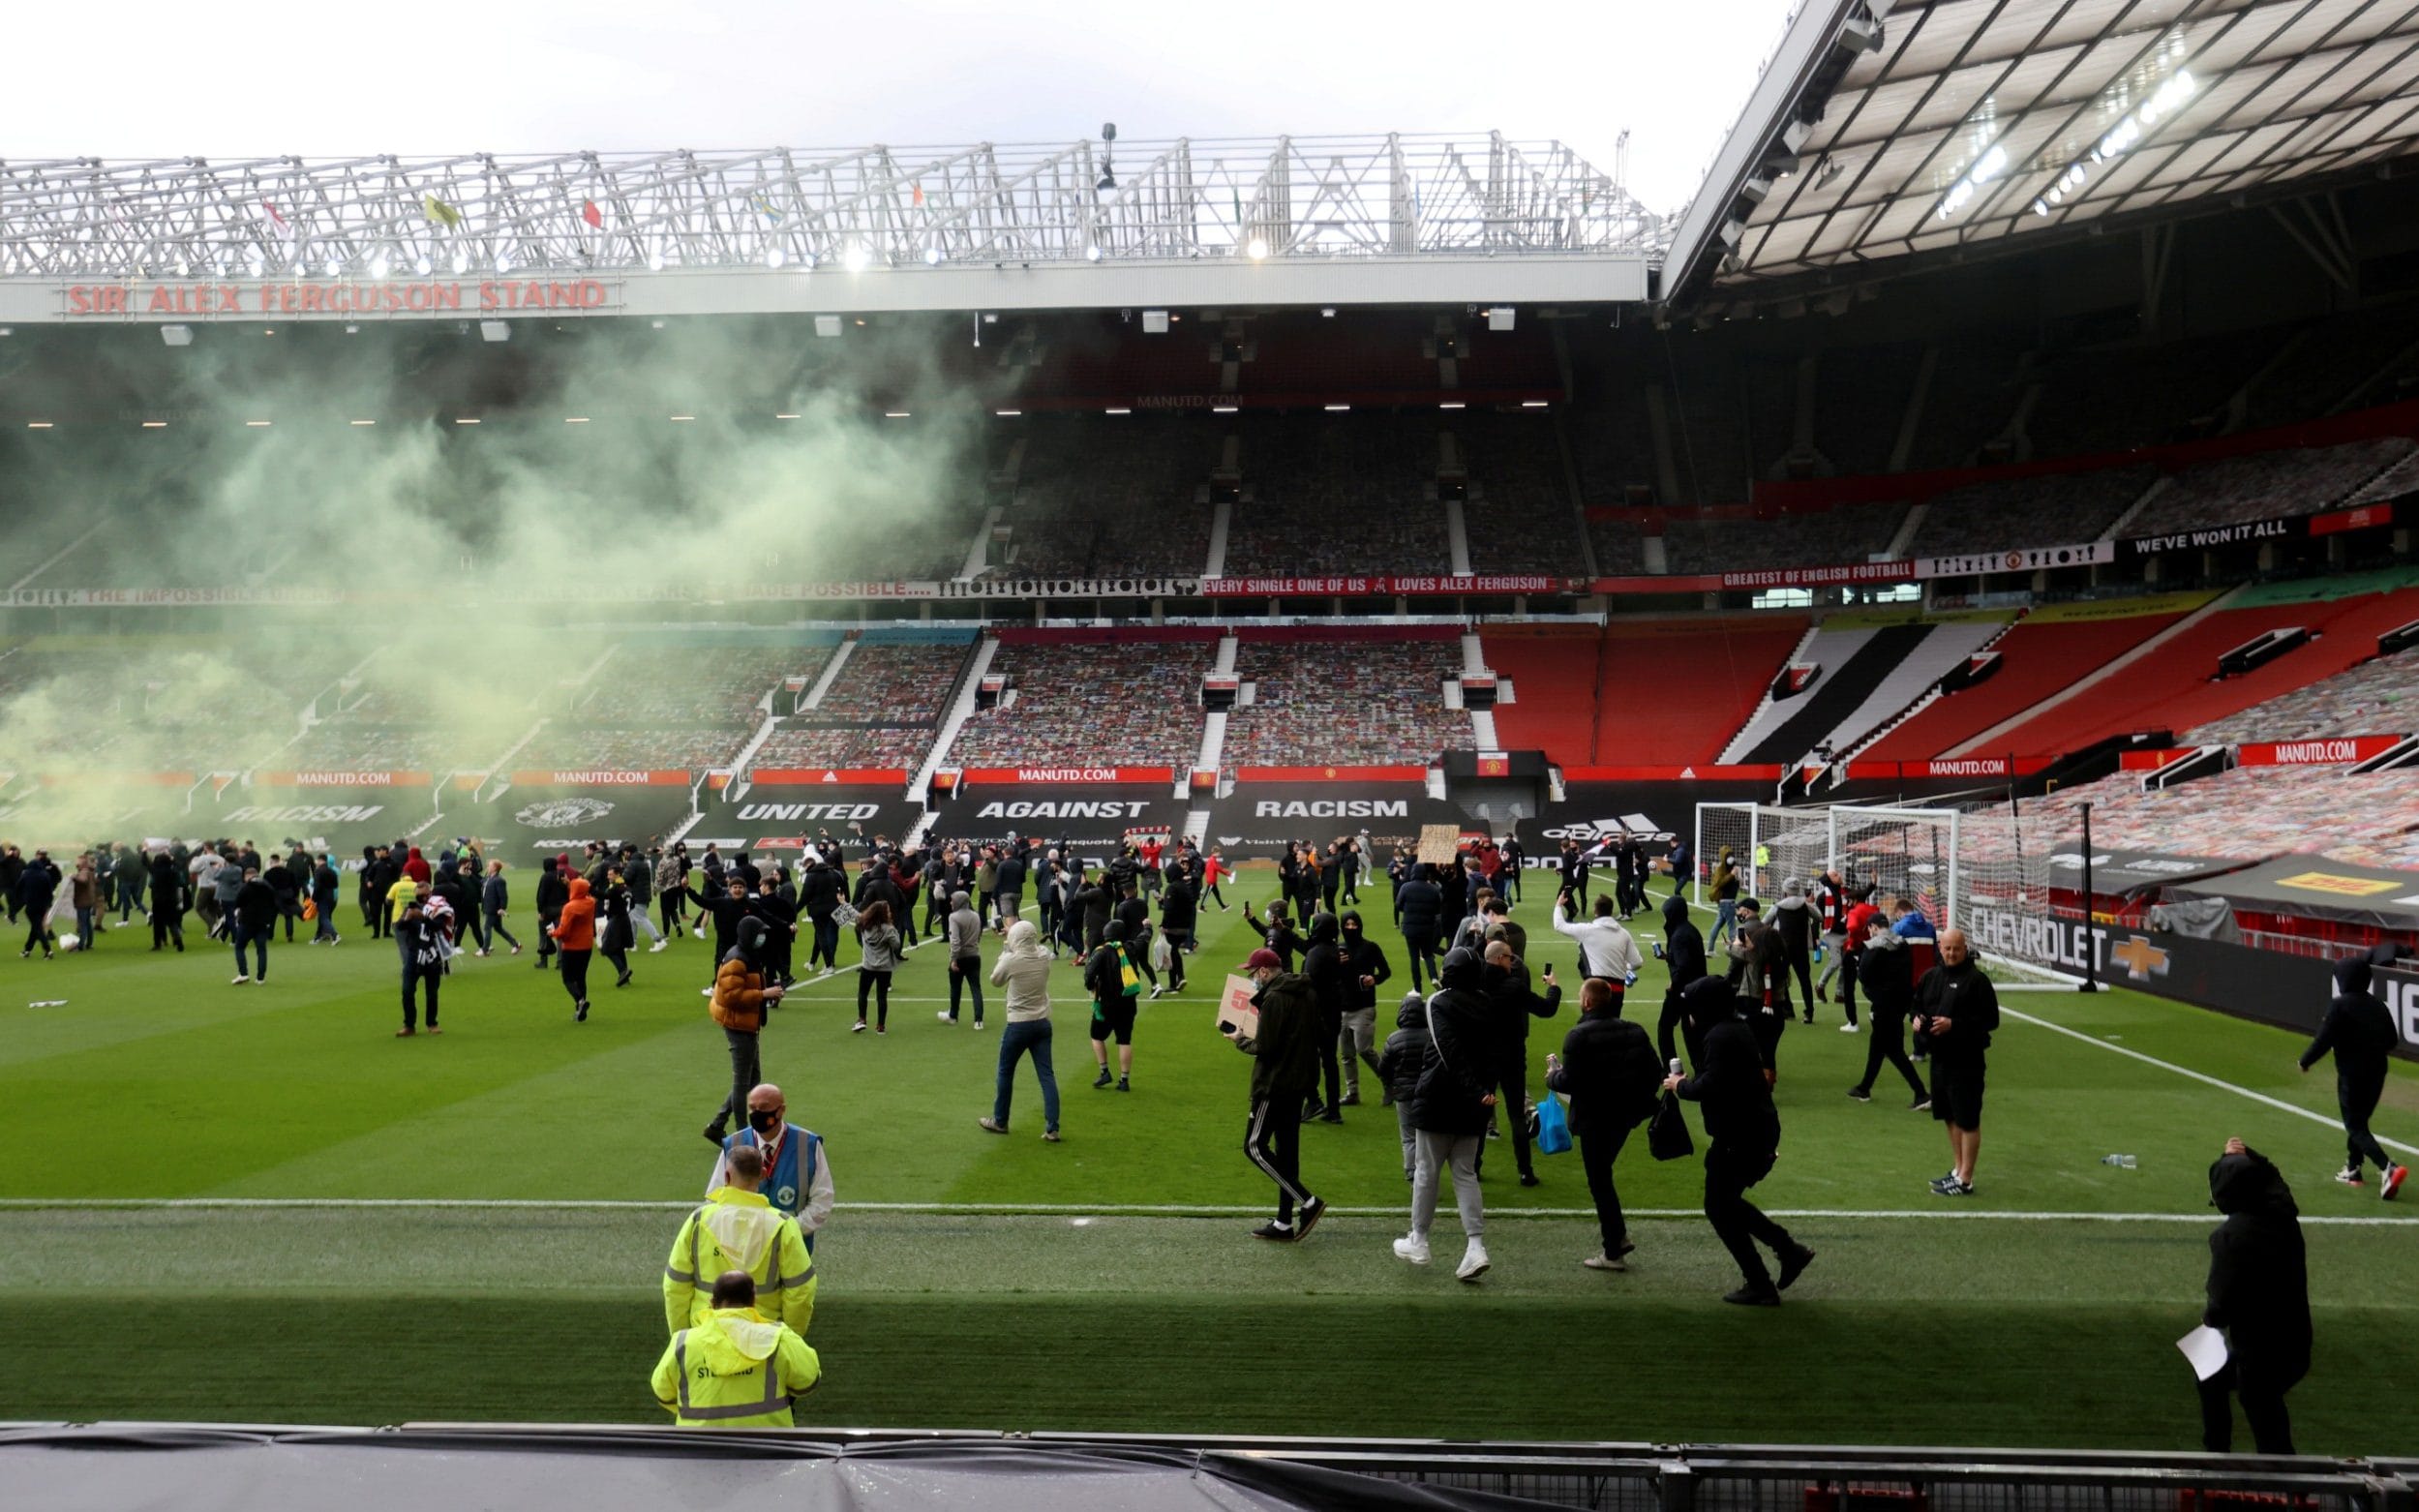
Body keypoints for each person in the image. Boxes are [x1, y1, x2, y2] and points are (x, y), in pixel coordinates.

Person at [1664, 987, 1814, 1305]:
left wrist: (1681, 1086)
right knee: (1725, 1203)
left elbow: (1712, 1085)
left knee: (1719, 1206)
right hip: (1753, 1130)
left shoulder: (1719, 1037)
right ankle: (1785, 1253)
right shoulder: (1734, 1029)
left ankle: (1765, 1276)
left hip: (1741, 1135)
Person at [2197, 1137, 2311, 1455]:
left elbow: (2220, 1307)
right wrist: (2248, 1155)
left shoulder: (2229, 1238)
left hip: (2260, 1353)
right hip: (2296, 1343)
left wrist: (2207, 1322)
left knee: (2256, 1401)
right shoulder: (2283, 1214)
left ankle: (2217, 1456)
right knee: (2236, 1387)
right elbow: (2272, 1177)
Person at [1395, 947, 1498, 1280]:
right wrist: (1483, 1090)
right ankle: (1475, 1246)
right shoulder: (1487, 1002)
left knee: (1426, 1171)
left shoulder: (1437, 1002)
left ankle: (1420, 1240)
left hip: (1441, 1096)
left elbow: (1448, 1048)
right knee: (1465, 1173)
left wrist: (1475, 1087)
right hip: (1474, 1102)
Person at [1547, 977, 1662, 1271]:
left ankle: (1614, 1248)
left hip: (1595, 1119)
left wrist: (1552, 1076)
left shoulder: (1578, 1036)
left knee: (1599, 1180)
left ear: (1586, 1002)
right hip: (1625, 1117)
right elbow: (1655, 1073)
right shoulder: (1634, 1031)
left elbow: (1570, 1081)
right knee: (1602, 1175)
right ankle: (1617, 1239)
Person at [662, 1142, 817, 1339]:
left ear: (726, 1176)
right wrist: (790, 1339)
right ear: (762, 1174)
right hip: (763, 1340)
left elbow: (674, 1287)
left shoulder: (698, 1221)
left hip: (705, 1337)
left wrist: (682, 1340)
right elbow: (801, 1291)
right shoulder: (783, 1225)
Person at [1226, 946, 1327, 1243]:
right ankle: (1284, 1222)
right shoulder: (1305, 992)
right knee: (1287, 1152)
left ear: (1265, 972)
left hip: (1274, 1084)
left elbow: (1266, 1046)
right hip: (1298, 1082)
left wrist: (1239, 1039)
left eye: (1254, 972)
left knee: (1254, 1146)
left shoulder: (1274, 998)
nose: (1253, 978)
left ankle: (1307, 1202)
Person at [650, 1269, 823, 1429]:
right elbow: (808, 1381)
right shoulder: (778, 1337)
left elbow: (663, 1393)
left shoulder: (682, 1342)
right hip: (768, 1448)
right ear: (753, 1301)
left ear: (712, 1303)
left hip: (698, 1449)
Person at [2300, 949, 2407, 1196]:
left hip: (2351, 1074)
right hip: (2377, 1073)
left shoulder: (2340, 1005)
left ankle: (2387, 1167)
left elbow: (2323, 1039)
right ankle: (2353, 1169)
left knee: (2355, 1125)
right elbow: (2392, 1040)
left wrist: (2306, 1061)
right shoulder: (2379, 1005)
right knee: (2360, 1122)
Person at [1916, 926, 1998, 1196]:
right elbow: (1916, 1007)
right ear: (1940, 948)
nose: (1951, 953)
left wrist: (1954, 1025)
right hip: (1939, 1058)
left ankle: (1966, 1179)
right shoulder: (1931, 977)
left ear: (1965, 949)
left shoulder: (1977, 981)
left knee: (1967, 1119)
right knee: (1949, 1116)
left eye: (1956, 948)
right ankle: (1958, 1168)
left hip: (1967, 1060)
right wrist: (1916, 1020)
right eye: (1947, 948)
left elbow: (1991, 1021)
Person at [709, 1082, 834, 1252]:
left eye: (764, 1107)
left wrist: (786, 1231)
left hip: (792, 1250)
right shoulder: (734, 1144)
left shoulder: (808, 1144)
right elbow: (714, 1197)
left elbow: (822, 1199)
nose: (757, 1113)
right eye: (752, 1108)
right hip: (742, 1250)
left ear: (781, 1110)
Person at [1482, 939, 1560, 1186]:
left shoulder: (1476, 985)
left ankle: (1472, 1167)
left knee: (1481, 1113)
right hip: (1513, 1057)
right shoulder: (1513, 987)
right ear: (1498, 959)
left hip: (1485, 1057)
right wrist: (1553, 987)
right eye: (1508, 957)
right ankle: (1525, 1171)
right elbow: (1547, 1009)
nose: (1511, 961)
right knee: (1516, 1114)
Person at [980, 920, 1062, 1141]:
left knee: (1005, 1071)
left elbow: (995, 980)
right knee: (1046, 1075)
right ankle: (1053, 1126)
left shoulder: (1012, 960)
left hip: (1018, 1023)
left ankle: (1000, 1120)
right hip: (1042, 1021)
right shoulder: (1044, 955)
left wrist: (1006, 948)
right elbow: (1035, 946)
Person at [706, 917, 785, 1143]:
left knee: (753, 1078)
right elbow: (729, 997)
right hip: (738, 1024)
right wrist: (763, 994)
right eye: (760, 933)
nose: (763, 938)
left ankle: (718, 1124)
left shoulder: (747, 955)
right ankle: (742, 1133)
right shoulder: (737, 960)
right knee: (742, 1082)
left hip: (745, 1023)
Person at [1847, 914, 1930, 1109]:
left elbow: (1864, 975)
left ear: (1874, 927)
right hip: (1901, 1002)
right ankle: (1864, 1087)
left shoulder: (1873, 946)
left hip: (1883, 1004)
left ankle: (1921, 1093)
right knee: (1877, 1045)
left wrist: (1873, 993)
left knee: (1893, 1050)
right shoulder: (1903, 945)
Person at [1336, 910, 1393, 1104]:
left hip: (1364, 1007)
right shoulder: (1337, 949)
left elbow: (1386, 972)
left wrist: (1373, 979)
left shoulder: (1370, 948)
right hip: (1342, 1007)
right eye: (1347, 925)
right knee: (1346, 1054)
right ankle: (1352, 1093)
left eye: (1354, 924)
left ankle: (1388, 1082)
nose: (1351, 928)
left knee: (1364, 1050)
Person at [1299, 912, 1347, 1122]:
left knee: (1307, 1060)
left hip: (1315, 1013)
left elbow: (1307, 983)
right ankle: (1334, 1109)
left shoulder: (1315, 953)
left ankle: (1314, 1100)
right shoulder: (1337, 951)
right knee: (1330, 1062)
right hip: (1334, 1012)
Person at [1084, 920, 1143, 1090]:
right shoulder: (1130, 949)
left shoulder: (1101, 952)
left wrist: (1090, 987)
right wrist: (1147, 927)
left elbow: (1089, 974)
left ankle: (1105, 1072)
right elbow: (1143, 939)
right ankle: (1124, 1080)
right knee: (1124, 1040)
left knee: (1096, 1036)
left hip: (1106, 1003)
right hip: (1128, 1002)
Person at [1378, 990, 1432, 1181]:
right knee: (1427, 1138)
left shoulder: (1394, 1039)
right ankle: (1428, 1176)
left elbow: (1383, 1068)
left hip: (1404, 1094)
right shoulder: (1431, 1037)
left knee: (1408, 1138)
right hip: (1427, 1093)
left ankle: (1412, 1175)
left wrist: (1392, 1086)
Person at [1654, 892, 1708, 1067]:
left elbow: (1684, 966)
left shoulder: (1679, 936)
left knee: (1667, 1028)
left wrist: (1674, 985)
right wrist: (1668, 957)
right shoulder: (1689, 930)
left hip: (1683, 991)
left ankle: (1672, 1066)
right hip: (1694, 988)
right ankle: (1699, 1066)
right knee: (1691, 1030)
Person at [1553, 891, 1644, 989]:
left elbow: (1559, 925)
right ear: (1611, 911)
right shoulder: (1624, 933)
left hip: (1595, 988)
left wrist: (1558, 904)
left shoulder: (1586, 930)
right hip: (1618, 989)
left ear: (1595, 912)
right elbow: (1637, 963)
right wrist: (1626, 967)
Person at [396, 889, 445, 1036]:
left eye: (424, 895)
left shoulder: (439, 910)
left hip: (431, 955)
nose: (421, 899)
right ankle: (409, 1025)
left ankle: (432, 1023)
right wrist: (407, 918)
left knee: (432, 992)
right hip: (414, 955)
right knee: (407, 990)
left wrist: (423, 917)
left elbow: (438, 927)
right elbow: (399, 927)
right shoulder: (410, 910)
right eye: (419, 896)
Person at [548, 876, 597, 1022]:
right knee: (581, 976)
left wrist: (552, 933)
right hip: (586, 945)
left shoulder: (569, 907)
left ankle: (580, 1001)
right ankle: (580, 1010)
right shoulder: (590, 903)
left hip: (571, 946)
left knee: (568, 978)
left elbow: (563, 931)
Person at [1772, 880, 1820, 1024]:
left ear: (1785, 891)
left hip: (1783, 949)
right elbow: (1819, 917)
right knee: (1805, 981)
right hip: (1801, 949)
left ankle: (1788, 1009)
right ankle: (1809, 1013)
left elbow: (1764, 921)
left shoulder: (1778, 907)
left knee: (1781, 979)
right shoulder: (1805, 905)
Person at [852, 899, 901, 1034]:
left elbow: (854, 913)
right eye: (888, 911)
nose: (890, 913)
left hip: (868, 966)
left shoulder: (864, 924)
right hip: (884, 967)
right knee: (881, 996)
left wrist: (843, 902)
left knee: (863, 993)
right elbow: (897, 945)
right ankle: (880, 1026)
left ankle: (862, 1019)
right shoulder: (889, 929)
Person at [1395, 864, 1445, 991]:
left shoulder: (1406, 887)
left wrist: (1408, 910)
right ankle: (1434, 977)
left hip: (1410, 926)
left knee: (1414, 957)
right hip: (1427, 927)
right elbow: (1438, 908)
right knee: (1428, 954)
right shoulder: (1433, 889)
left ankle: (1417, 987)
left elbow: (1398, 904)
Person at [940, 890, 986, 1028]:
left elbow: (955, 940)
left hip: (960, 957)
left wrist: (953, 959)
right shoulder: (976, 915)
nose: (951, 902)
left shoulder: (954, 917)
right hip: (974, 955)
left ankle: (953, 1015)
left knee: (955, 987)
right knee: (976, 988)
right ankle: (978, 1020)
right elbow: (978, 934)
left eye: (952, 900)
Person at [229, 865, 276, 984]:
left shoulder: (246, 887)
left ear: (247, 876)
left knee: (239, 947)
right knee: (261, 950)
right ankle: (260, 978)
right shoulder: (268, 886)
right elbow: (273, 902)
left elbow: (238, 902)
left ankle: (243, 973)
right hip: (263, 922)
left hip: (247, 922)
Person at [533, 856, 568, 971]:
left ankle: (543, 961)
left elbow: (541, 896)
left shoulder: (546, 877)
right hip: (562, 909)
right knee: (560, 935)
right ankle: (561, 962)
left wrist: (540, 911)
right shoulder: (561, 875)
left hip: (548, 910)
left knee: (543, 933)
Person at [147, 849, 185, 953]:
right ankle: (178, 939)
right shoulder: (174, 872)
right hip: (172, 899)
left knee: (158, 923)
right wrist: (173, 860)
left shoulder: (156, 873)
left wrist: (144, 852)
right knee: (172, 922)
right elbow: (181, 876)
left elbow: (146, 864)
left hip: (158, 899)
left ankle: (157, 944)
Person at [1708, 848, 1740, 952]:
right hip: (1727, 901)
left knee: (1718, 924)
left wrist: (1736, 877)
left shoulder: (1730, 868)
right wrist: (1732, 875)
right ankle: (1735, 950)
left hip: (1726, 901)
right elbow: (1720, 883)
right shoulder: (1721, 870)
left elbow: (1732, 883)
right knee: (1732, 926)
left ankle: (1710, 949)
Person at [310, 853, 342, 945]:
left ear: (320, 860)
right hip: (331, 897)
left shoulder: (318, 871)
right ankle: (317, 937)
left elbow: (317, 886)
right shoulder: (332, 871)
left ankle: (335, 935)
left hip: (322, 897)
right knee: (322, 918)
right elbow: (335, 884)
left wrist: (314, 898)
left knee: (324, 918)